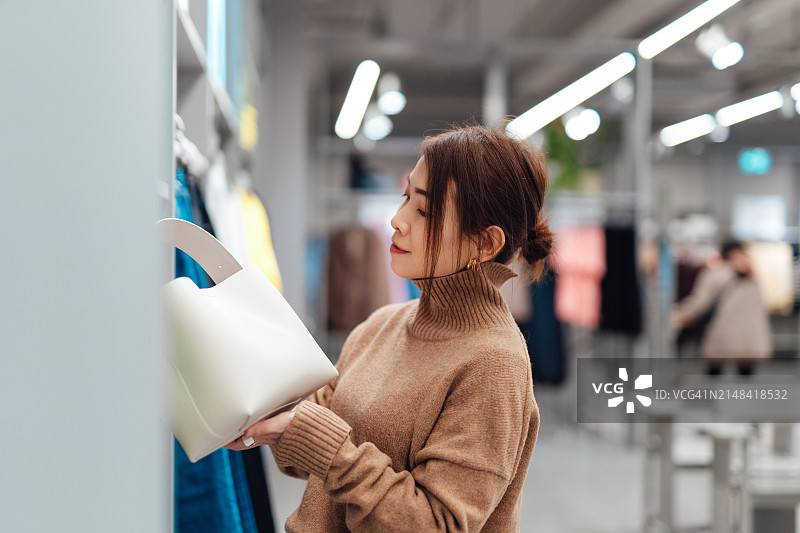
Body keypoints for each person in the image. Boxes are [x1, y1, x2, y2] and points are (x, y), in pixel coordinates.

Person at [225, 125, 553, 532]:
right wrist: (261, 407)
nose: (397, 220)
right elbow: (305, 450)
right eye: (405, 198)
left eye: (424, 210)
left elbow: (436, 524)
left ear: (485, 244)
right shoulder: (382, 325)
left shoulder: (494, 364)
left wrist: (325, 446)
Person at [672, 240, 772, 376]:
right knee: (746, 380)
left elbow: (699, 302)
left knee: (715, 377)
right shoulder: (753, 276)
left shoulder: (716, 274)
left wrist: (680, 313)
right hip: (749, 340)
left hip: (721, 337)